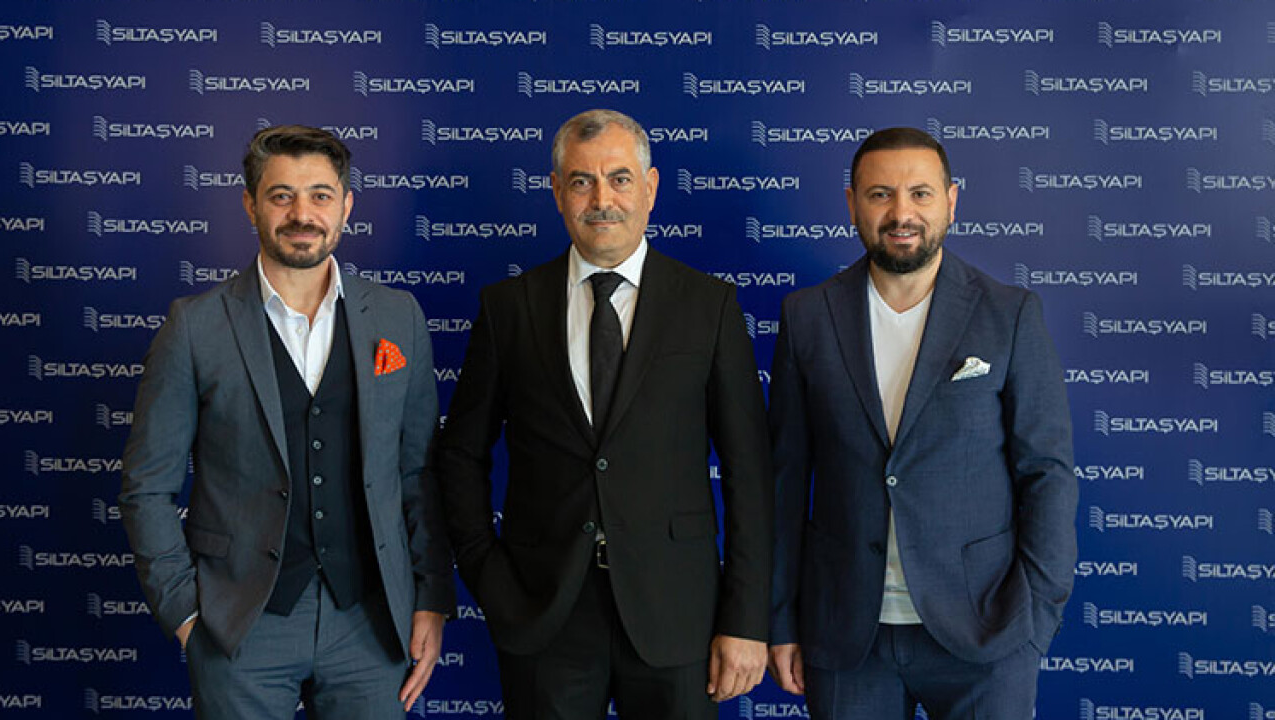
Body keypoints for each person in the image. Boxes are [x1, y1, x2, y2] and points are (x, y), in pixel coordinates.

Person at [438, 109, 773, 719]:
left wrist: (746, 619)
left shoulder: (710, 306)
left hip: (677, 613)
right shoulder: (508, 308)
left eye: (619, 179)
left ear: (650, 187)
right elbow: (460, 454)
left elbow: (749, 471)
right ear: (556, 192)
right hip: (544, 614)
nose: (602, 201)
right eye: (581, 181)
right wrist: (488, 575)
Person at [118, 125, 453, 719]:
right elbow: (147, 485)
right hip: (240, 622)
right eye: (281, 196)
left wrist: (429, 599)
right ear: (251, 205)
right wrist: (185, 612)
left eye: (321, 195)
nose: (303, 214)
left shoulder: (398, 317)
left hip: (370, 622)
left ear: (346, 206)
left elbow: (418, 473)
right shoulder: (194, 326)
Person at [766, 127, 1077, 719]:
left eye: (920, 193)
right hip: (846, 638)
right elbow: (784, 482)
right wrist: (781, 620)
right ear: (852, 203)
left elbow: (1048, 473)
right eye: (880, 194)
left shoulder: (1010, 314)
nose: (901, 213)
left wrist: (1035, 619)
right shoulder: (807, 316)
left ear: (951, 201)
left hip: (986, 634)